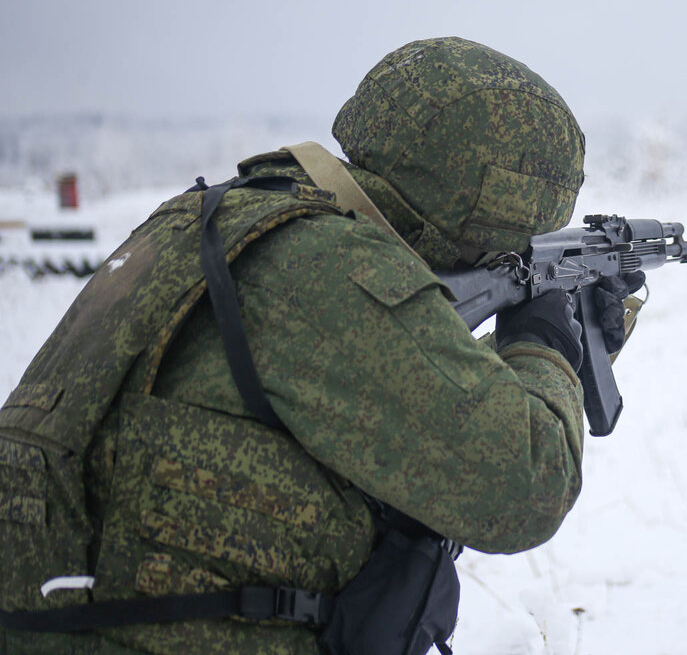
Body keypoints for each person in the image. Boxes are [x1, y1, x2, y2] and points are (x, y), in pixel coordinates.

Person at [0, 37, 640, 654]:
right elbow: (523, 489)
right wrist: (544, 342)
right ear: (491, 209)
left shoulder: (214, 218)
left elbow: (389, 395)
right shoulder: (333, 268)